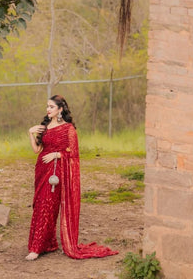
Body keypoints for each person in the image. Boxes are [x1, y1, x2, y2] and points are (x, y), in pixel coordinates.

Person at [26, 94, 118, 261]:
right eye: (47, 106)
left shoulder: (68, 129)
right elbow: (37, 150)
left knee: (48, 206)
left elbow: (74, 155)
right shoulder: (44, 126)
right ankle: (49, 243)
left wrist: (56, 154)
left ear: (60, 109)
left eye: (51, 107)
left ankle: (36, 248)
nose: (48, 109)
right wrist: (31, 133)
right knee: (40, 206)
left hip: (56, 173)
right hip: (41, 170)